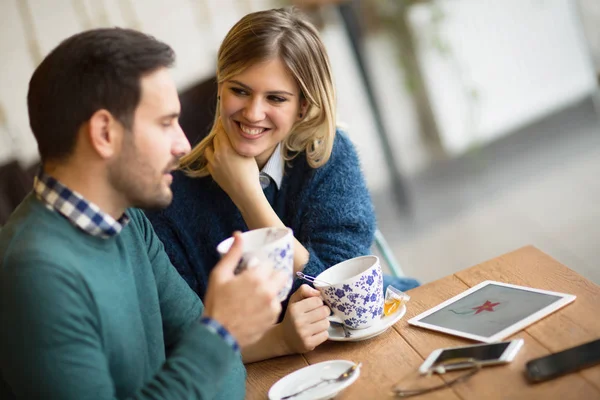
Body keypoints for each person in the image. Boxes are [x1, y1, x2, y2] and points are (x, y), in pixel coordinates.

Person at [0, 28, 287, 400]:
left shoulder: (128, 221)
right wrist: (221, 334)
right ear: (104, 133)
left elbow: (227, 376)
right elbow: (215, 361)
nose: (183, 145)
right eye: (166, 123)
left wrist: (216, 344)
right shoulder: (32, 274)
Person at [146, 7, 419, 364]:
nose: (253, 113)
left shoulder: (328, 158)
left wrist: (249, 197)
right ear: (220, 88)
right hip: (266, 369)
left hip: (373, 335)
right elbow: (187, 344)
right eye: (240, 91)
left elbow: (347, 298)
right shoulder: (169, 198)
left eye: (275, 98)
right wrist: (278, 338)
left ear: (302, 107)